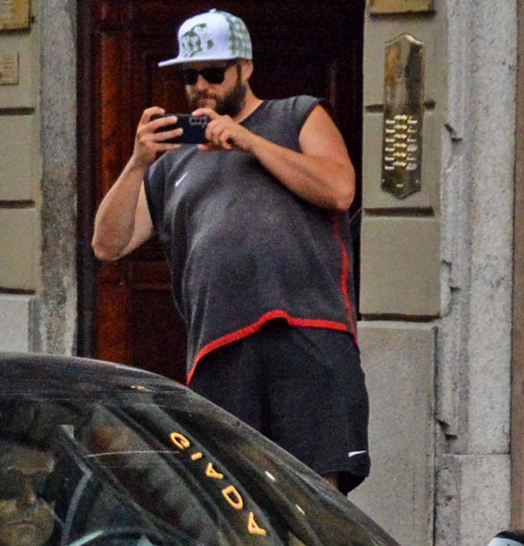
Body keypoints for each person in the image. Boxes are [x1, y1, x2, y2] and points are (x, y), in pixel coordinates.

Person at [89, 10, 368, 492]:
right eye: (189, 75)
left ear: (245, 68)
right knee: (235, 503)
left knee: (315, 500)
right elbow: (108, 245)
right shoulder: (170, 161)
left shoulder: (296, 114)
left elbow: (339, 189)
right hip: (220, 348)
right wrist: (137, 162)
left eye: (214, 73)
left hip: (306, 333)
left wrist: (248, 141)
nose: (201, 86)